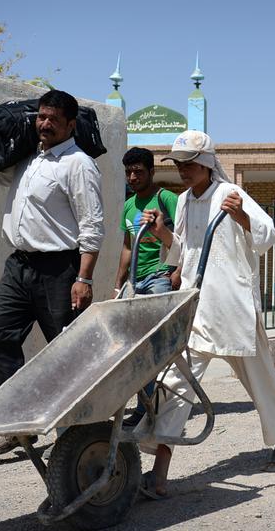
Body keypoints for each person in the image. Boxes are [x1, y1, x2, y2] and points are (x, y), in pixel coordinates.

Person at [136, 130, 275, 499]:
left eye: (190, 162)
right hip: (195, 307)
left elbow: (268, 236)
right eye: (179, 163)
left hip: (233, 306)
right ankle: (159, 474)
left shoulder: (232, 195)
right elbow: (181, 253)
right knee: (178, 387)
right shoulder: (182, 202)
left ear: (208, 162)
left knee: (259, 382)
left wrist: (242, 216)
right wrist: (161, 232)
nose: (183, 169)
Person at [0, 90, 105, 456]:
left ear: (71, 125)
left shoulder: (79, 164)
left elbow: (92, 226)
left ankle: (77, 434)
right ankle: (19, 424)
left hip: (60, 270)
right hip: (19, 266)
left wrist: (84, 278)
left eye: (53, 120)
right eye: (41, 117)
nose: (45, 124)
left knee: (68, 354)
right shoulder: (29, 155)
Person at [114, 147, 180, 427]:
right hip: (134, 282)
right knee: (126, 345)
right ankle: (146, 400)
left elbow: (184, 239)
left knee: (151, 345)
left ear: (152, 172)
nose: (132, 177)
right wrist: (119, 282)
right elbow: (128, 246)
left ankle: (148, 406)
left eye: (138, 172)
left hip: (159, 278)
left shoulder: (167, 199)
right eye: (128, 172)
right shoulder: (129, 205)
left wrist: (177, 273)